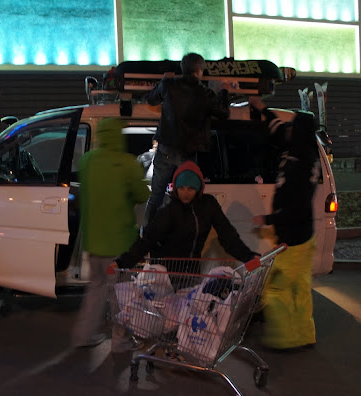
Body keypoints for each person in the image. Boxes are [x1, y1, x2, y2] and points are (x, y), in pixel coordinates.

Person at [71, 118, 150, 351]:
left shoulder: (87, 161)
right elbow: (142, 194)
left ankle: (83, 336)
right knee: (120, 296)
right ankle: (120, 341)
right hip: (119, 244)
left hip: (94, 242)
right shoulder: (127, 163)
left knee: (95, 289)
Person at [249, 96, 320, 350]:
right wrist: (263, 110)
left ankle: (284, 339)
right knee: (300, 289)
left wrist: (268, 219)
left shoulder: (298, 167)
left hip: (293, 239)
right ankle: (304, 335)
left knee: (275, 288)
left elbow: (294, 209)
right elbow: (279, 130)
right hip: (303, 236)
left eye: (292, 127)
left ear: (298, 133)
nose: (287, 130)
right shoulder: (304, 153)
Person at [115, 161, 259, 270]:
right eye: (181, 188)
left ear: (198, 188)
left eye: (190, 188)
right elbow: (148, 239)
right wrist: (122, 262)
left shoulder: (208, 205)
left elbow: (227, 234)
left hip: (191, 271)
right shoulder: (170, 209)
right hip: (167, 271)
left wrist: (248, 257)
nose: (185, 193)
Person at [143, 52, 231, 227]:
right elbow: (224, 113)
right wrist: (223, 91)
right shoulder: (205, 94)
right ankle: (184, 231)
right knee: (187, 197)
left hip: (166, 148)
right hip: (188, 152)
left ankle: (147, 231)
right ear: (199, 71)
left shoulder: (169, 85)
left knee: (156, 196)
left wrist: (163, 80)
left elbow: (151, 99)